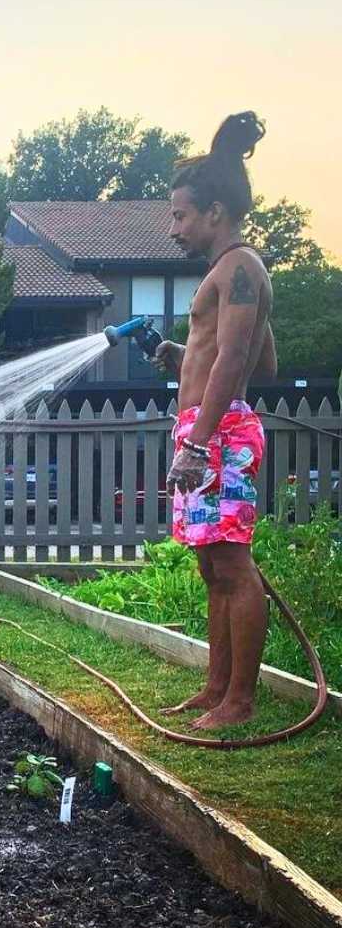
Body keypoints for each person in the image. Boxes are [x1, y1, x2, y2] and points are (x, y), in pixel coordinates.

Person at [152, 111, 278, 729]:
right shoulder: (232, 273)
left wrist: (198, 442)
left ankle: (241, 701)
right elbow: (265, 357)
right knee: (211, 568)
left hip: (217, 436)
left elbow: (234, 357)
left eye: (181, 215)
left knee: (232, 565)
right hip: (210, 430)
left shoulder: (240, 268)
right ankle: (215, 688)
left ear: (215, 211)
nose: (174, 228)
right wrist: (184, 356)